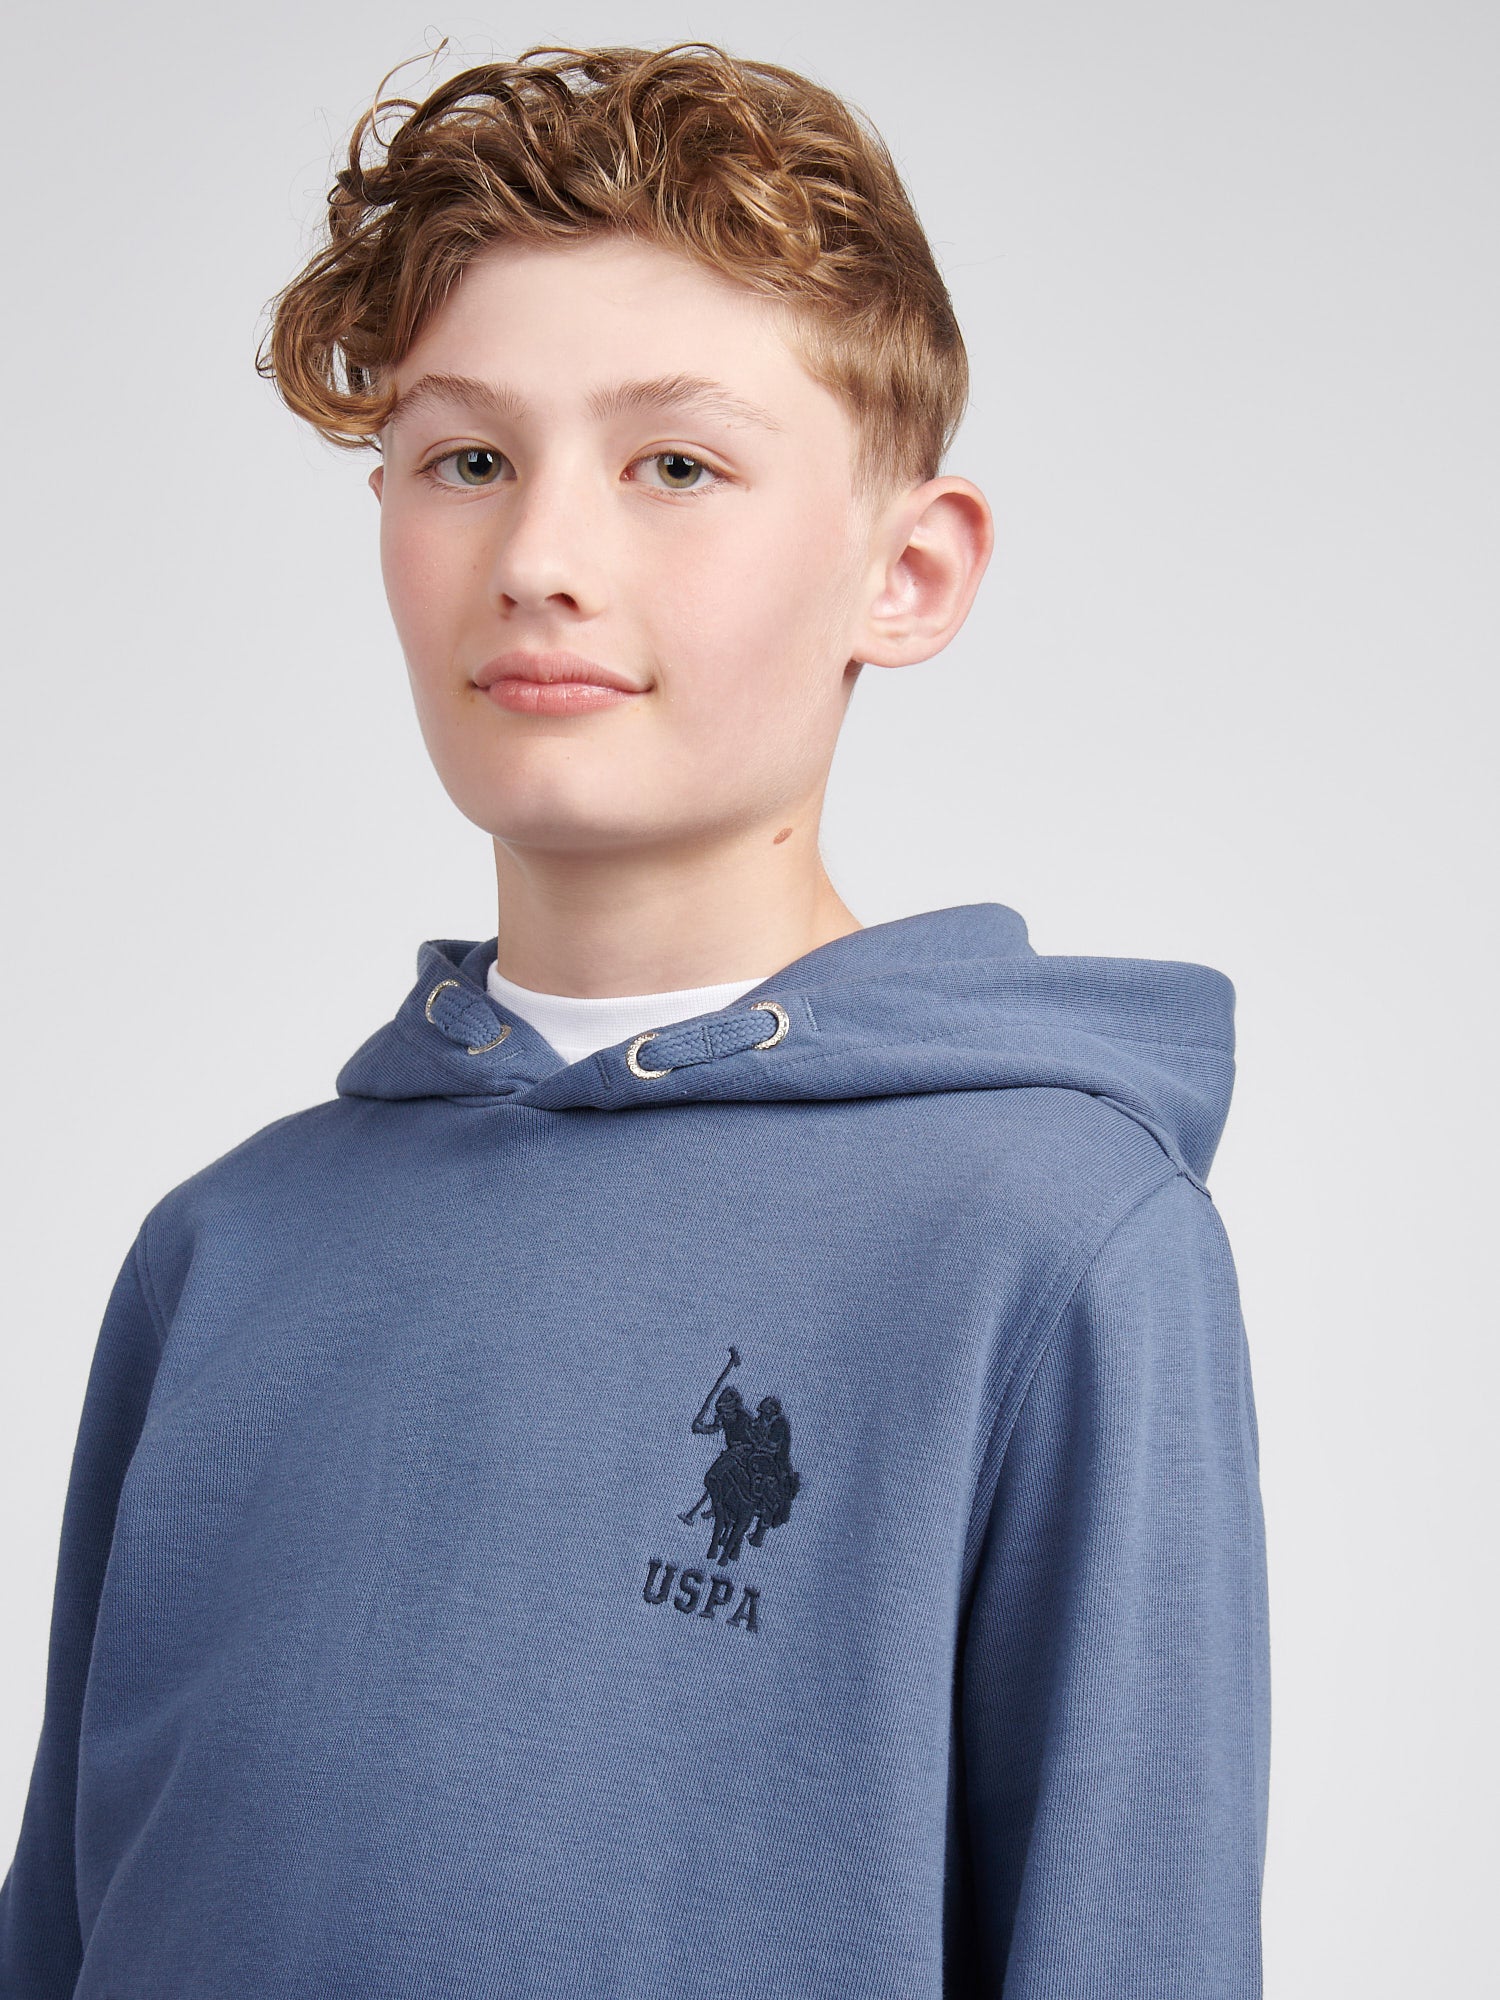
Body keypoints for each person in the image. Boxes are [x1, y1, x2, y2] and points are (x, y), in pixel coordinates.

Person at [0, 38, 1270, 1998]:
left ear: (908, 570)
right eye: (467, 460)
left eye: (675, 465)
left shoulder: (1050, 1240)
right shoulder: (220, 1251)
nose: (541, 560)